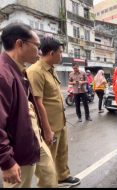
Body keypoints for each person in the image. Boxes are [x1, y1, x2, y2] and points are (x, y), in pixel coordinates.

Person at [0, 23, 57, 188]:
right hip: (17, 149)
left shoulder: (19, 70)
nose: (39, 52)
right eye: (37, 46)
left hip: (33, 139)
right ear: (19, 44)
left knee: (49, 177)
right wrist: (6, 161)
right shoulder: (3, 74)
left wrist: (44, 131)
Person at [26, 37, 81, 187]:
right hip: (48, 125)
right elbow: (38, 103)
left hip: (60, 121)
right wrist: (47, 130)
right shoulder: (35, 71)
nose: (62, 56)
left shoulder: (51, 69)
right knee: (47, 162)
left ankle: (63, 176)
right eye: (60, 53)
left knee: (62, 152)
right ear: (51, 53)